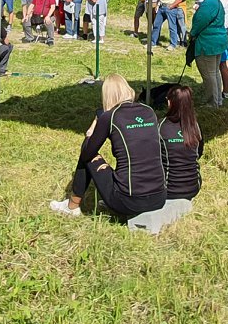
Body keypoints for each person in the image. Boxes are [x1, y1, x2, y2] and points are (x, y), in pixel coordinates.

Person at [48, 74, 167, 222]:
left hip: (128, 201)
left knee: (87, 150)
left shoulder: (109, 117)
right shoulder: (149, 111)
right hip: (159, 197)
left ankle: (72, 206)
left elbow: (87, 153)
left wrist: (93, 127)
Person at [184, 0, 228, 106]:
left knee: (209, 74)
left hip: (208, 43)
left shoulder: (209, 3)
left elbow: (200, 22)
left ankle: (212, 102)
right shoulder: (216, 0)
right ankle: (218, 100)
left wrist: (192, 34)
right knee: (214, 72)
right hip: (217, 42)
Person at [159, 83, 202, 202]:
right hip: (194, 187)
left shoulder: (160, 126)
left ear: (170, 102)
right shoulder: (195, 126)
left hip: (167, 189)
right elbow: (199, 152)